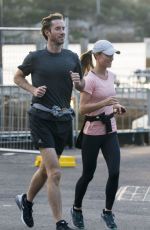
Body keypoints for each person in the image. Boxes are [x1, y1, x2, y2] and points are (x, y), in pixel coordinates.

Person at [14, 12, 84, 230]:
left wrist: (78, 82)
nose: (62, 32)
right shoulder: (35, 58)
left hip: (63, 120)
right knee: (55, 172)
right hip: (40, 117)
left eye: (64, 28)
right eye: (58, 29)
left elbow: (81, 86)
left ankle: (26, 201)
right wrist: (33, 89)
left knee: (45, 170)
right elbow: (17, 77)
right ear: (47, 32)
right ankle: (60, 222)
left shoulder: (72, 57)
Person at [71, 40, 126, 229]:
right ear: (97, 56)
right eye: (108, 55)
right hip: (92, 133)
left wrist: (117, 106)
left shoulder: (112, 75)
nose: (111, 58)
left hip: (110, 129)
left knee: (115, 171)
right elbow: (83, 109)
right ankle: (76, 209)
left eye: (113, 55)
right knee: (88, 174)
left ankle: (108, 212)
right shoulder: (90, 79)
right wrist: (104, 103)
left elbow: (110, 100)